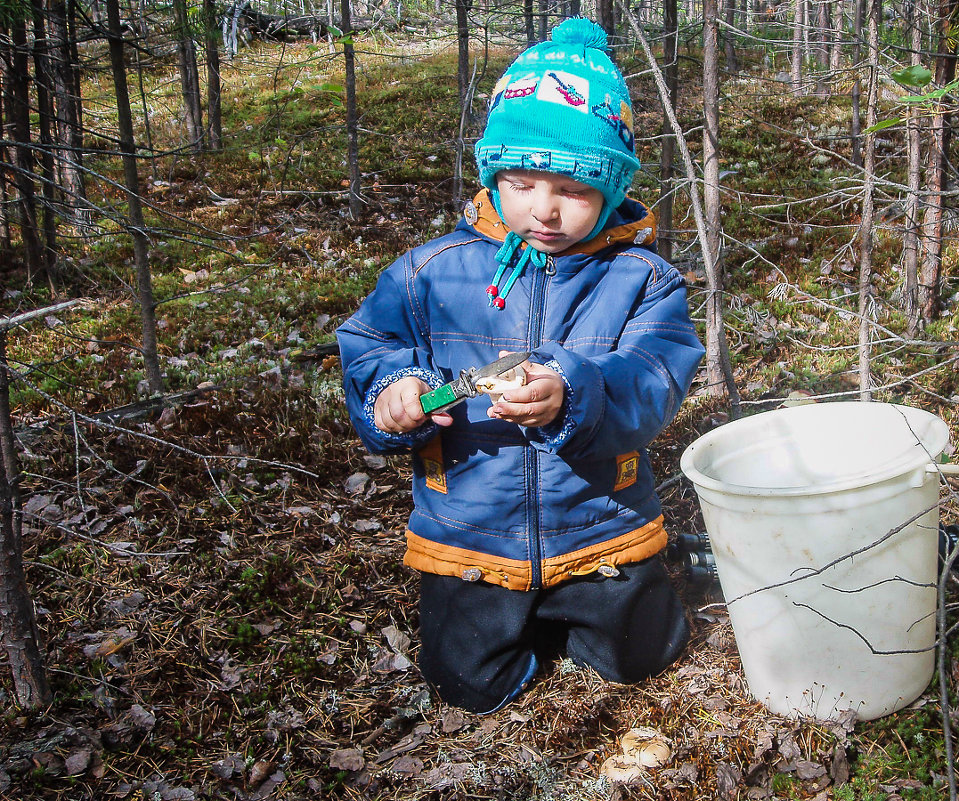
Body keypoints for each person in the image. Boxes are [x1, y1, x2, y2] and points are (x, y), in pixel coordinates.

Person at [337, 17, 705, 714]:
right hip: (470, 531)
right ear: (491, 173)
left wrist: (573, 390)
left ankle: (600, 606)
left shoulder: (641, 278)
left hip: (601, 525)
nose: (544, 210)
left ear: (610, 188)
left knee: (644, 658)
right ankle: (514, 627)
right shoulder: (428, 271)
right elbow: (371, 347)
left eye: (573, 188)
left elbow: (655, 378)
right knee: (466, 687)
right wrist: (393, 390)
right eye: (522, 181)